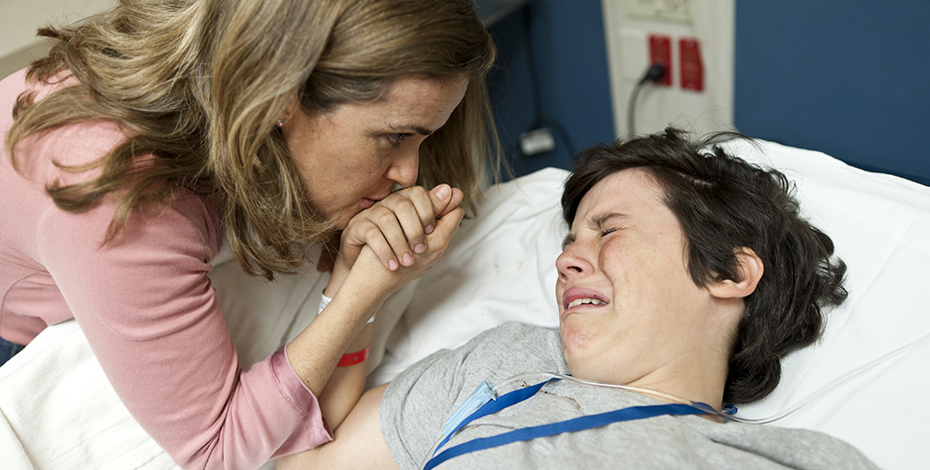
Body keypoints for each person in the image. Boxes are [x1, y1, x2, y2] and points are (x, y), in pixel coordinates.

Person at [0, 0, 500, 468]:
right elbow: (215, 450)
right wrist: (360, 294)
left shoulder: (234, 51)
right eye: (394, 137)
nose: (408, 174)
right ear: (279, 98)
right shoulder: (125, 201)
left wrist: (352, 277)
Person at [275, 129, 879, 469]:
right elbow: (308, 460)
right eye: (569, 242)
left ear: (728, 272)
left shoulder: (784, 460)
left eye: (609, 231)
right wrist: (358, 284)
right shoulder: (500, 366)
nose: (565, 262)